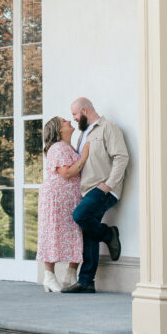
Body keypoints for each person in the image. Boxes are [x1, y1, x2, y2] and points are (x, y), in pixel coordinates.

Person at [59, 97, 129, 294]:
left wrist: (108, 185)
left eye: (74, 114)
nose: (73, 119)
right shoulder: (83, 134)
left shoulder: (109, 128)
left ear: (84, 110)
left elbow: (121, 157)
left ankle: (108, 234)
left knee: (79, 216)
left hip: (104, 189)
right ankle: (87, 281)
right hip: (87, 189)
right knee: (88, 232)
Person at [36, 116, 89, 293]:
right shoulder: (57, 147)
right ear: (59, 129)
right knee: (53, 232)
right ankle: (49, 277)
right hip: (56, 198)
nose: (69, 121)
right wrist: (85, 157)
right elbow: (66, 173)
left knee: (74, 231)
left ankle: (70, 273)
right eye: (64, 121)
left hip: (69, 197)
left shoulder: (68, 147)